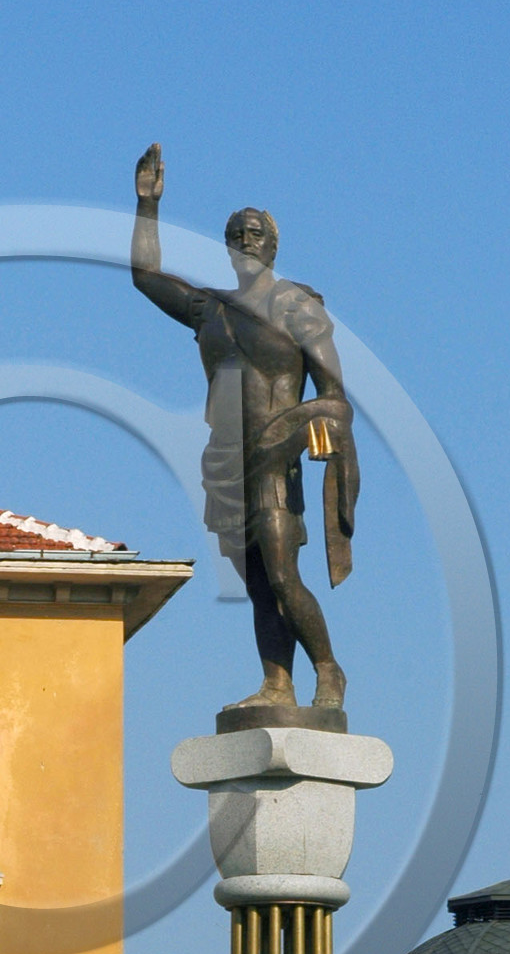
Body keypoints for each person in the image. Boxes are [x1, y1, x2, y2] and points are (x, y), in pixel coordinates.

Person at [130, 142, 357, 726]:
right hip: (227, 460)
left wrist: (302, 430)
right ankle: (277, 683)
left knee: (283, 573)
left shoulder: (297, 307)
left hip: (277, 456)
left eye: (256, 232)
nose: (246, 239)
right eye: (237, 233)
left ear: (274, 245)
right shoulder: (212, 309)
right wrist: (147, 207)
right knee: (258, 583)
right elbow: (145, 277)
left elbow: (335, 400)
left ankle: (327, 668)